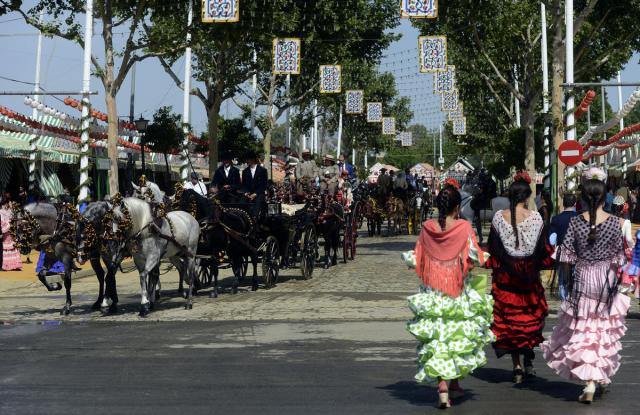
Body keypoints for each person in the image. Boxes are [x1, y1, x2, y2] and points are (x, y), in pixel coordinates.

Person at [541, 168, 631, 403]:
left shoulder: (575, 222)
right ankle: (597, 377)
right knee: (601, 330)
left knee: (585, 330)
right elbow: (619, 256)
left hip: (582, 280)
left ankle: (591, 381)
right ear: (604, 198)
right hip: (605, 281)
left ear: (582, 198)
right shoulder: (614, 223)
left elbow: (567, 254)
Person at [404, 180, 493, 408]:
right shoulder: (464, 228)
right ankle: (449, 384)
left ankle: (447, 385)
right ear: (457, 207)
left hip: (433, 291)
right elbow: (475, 258)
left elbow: (417, 258)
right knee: (455, 337)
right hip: (457, 288)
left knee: (439, 338)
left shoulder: (427, 227)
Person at [486, 171, 554, 383]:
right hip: (529, 275)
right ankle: (528, 359)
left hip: (506, 276)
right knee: (531, 317)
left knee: (510, 320)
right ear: (526, 197)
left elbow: (493, 248)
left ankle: (516, 366)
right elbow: (543, 249)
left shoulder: (498, 218)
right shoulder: (536, 218)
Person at [241, 151, 268, 217]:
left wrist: (255, 194)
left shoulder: (262, 170)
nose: (247, 161)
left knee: (258, 203)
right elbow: (244, 185)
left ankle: (255, 218)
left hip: (258, 193)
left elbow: (264, 185)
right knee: (242, 203)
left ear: (253, 160)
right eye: (246, 159)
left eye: (248, 159)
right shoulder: (245, 171)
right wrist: (246, 192)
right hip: (248, 194)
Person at [0, 194, 22, 271]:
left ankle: (15, 265)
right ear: (6, 202)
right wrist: (10, 224)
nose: (11, 203)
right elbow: (2, 222)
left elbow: (15, 219)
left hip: (12, 232)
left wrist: (15, 223)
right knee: (6, 248)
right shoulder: (1, 211)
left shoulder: (11, 211)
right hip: (6, 233)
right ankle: (6, 265)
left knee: (13, 247)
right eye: (10, 202)